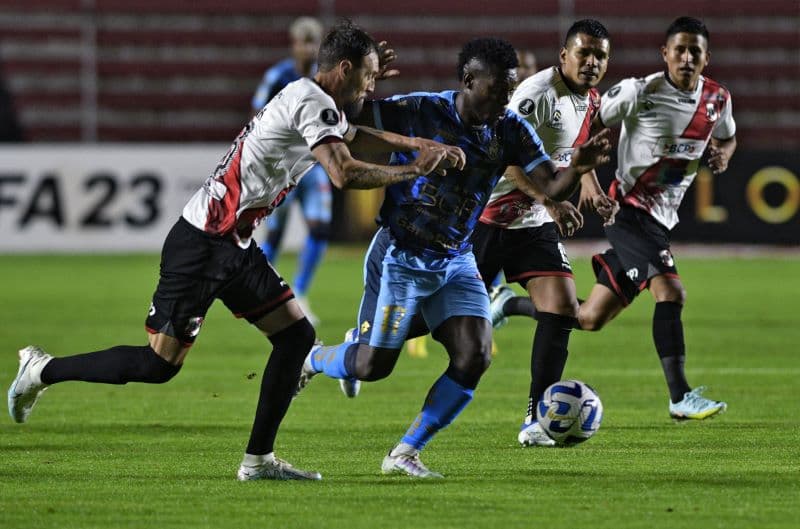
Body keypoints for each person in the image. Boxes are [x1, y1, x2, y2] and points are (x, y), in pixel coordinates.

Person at [7, 21, 464, 482]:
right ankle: (42, 369)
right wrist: (413, 169)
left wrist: (417, 145)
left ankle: (258, 461)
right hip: (203, 243)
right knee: (157, 365)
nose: (373, 82)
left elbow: (357, 137)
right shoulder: (309, 101)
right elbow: (344, 173)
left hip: (235, 245)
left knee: (295, 338)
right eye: (366, 74)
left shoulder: (318, 103)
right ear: (343, 69)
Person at [295, 37, 611, 478]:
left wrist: (576, 167)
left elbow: (551, 185)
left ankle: (405, 452)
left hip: (456, 258)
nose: (507, 99)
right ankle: (311, 360)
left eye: (511, 88)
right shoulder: (421, 109)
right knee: (371, 365)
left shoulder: (511, 129)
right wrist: (358, 92)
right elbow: (345, 125)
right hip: (401, 256)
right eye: (499, 89)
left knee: (475, 354)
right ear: (468, 81)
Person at [491, 16, 735, 421]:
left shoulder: (718, 99)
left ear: (707, 58)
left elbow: (728, 135)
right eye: (680, 49)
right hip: (629, 214)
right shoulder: (638, 92)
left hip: (661, 219)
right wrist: (590, 185)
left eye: (695, 51)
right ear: (666, 54)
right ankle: (680, 397)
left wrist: (724, 153)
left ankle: (509, 304)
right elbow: (587, 133)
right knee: (671, 292)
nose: (687, 58)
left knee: (586, 317)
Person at [473, 19, 617, 447]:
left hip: (533, 223)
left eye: (600, 56)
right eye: (584, 53)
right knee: (439, 322)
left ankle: (537, 419)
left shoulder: (590, 100)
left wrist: (590, 189)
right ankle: (360, 347)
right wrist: (550, 200)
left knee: (560, 310)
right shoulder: (536, 95)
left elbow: (574, 156)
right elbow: (505, 157)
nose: (591, 62)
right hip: (488, 219)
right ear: (564, 56)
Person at [251, 17, 329, 324]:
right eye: (304, 42)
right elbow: (258, 114)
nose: (310, 48)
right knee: (276, 234)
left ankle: (300, 292)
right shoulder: (278, 76)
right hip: (282, 167)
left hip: (312, 165)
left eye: (315, 41)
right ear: (294, 44)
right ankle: (256, 292)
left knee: (320, 228)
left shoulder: (325, 78)